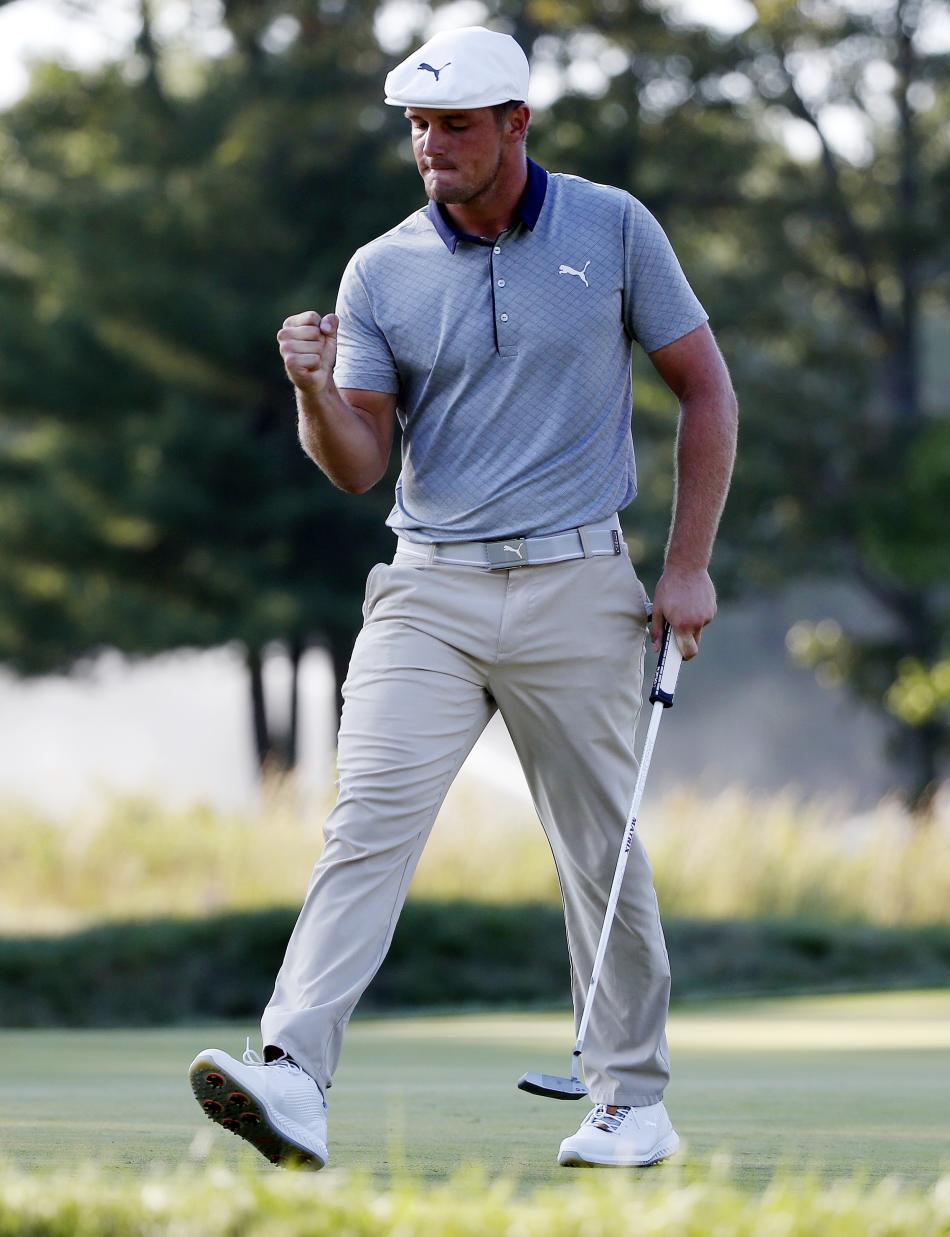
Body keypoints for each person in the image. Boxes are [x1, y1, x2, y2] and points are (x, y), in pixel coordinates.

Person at [188, 24, 737, 1171]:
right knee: (365, 825)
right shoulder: (380, 269)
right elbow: (357, 461)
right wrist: (306, 386)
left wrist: (685, 563)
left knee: (600, 845)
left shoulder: (614, 228)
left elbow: (705, 388)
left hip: (581, 581)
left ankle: (632, 1100)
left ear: (516, 126)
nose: (431, 146)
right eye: (418, 127)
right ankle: (292, 1075)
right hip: (427, 588)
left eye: (454, 126)